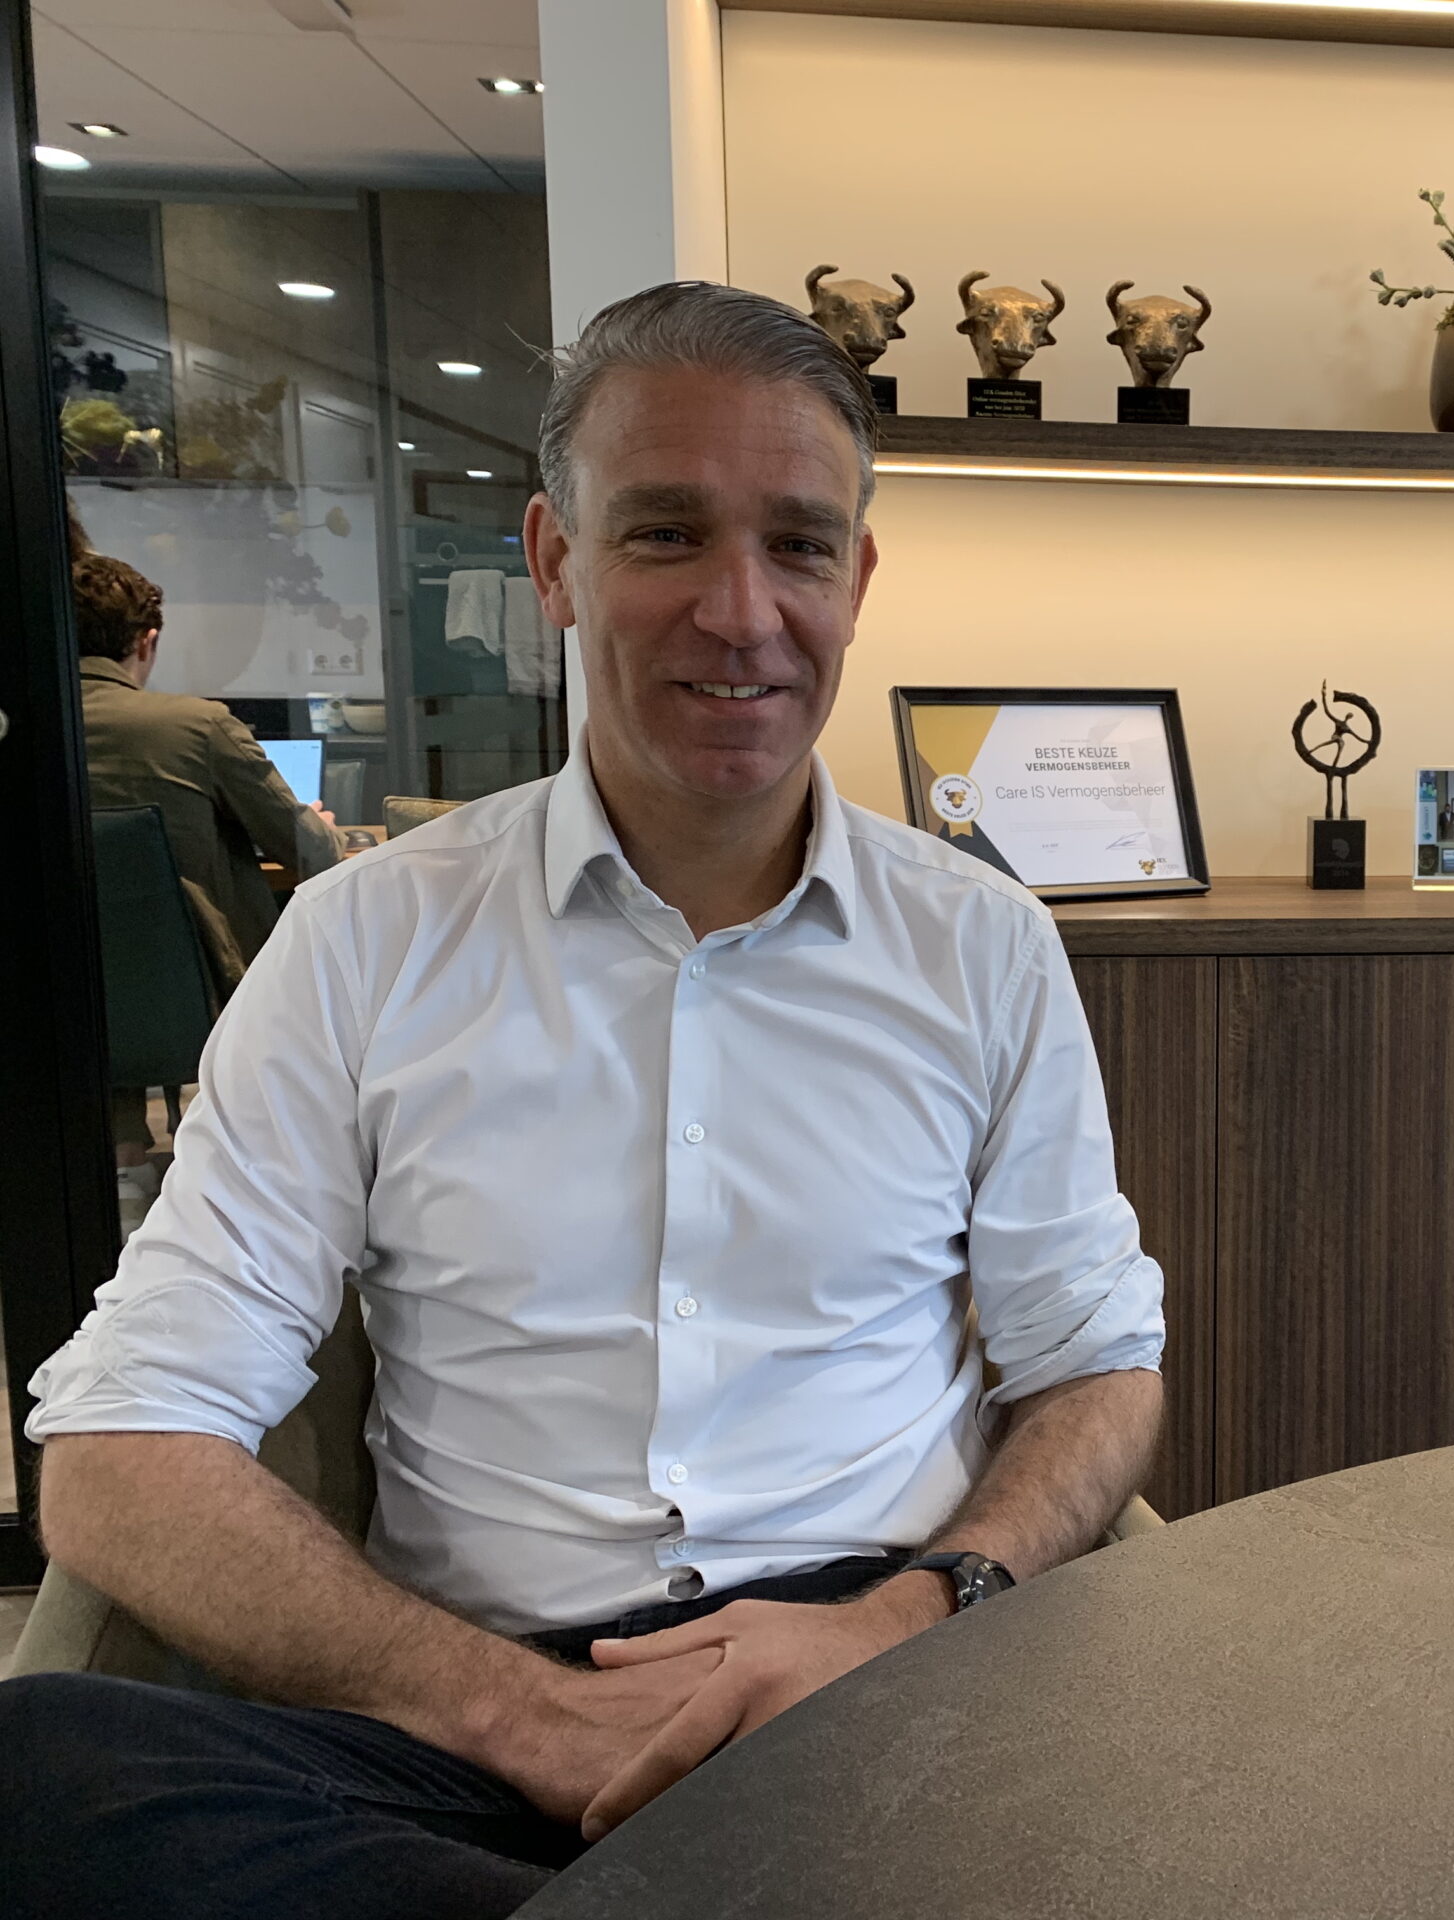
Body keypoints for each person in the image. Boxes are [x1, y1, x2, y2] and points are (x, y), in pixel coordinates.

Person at [2, 281, 1168, 1919]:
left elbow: (1093, 1366)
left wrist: (908, 1616)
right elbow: (121, 1449)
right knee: (38, 1772)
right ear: (554, 561)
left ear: (856, 581)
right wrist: (522, 1717)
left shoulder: (979, 947)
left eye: (799, 545)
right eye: (667, 534)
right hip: (472, 1724)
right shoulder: (366, 942)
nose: (742, 612)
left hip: (874, 1688)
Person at [70, 551, 342, 1183]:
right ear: (147, 641)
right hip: (201, 992)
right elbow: (311, 853)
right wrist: (321, 826)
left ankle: (123, 1149)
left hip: (68, 991)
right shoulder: (196, 725)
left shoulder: (28, 729)